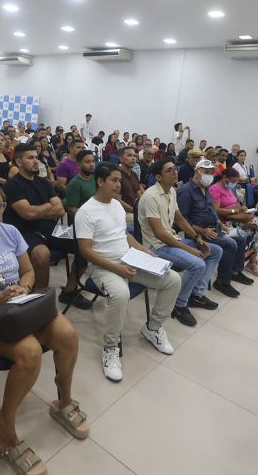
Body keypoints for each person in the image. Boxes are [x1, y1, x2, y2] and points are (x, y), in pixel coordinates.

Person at [0, 181, 88, 471]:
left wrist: (23, 287)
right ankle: (5, 425)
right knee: (30, 352)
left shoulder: (10, 232)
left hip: (16, 307)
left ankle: (63, 399)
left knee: (67, 333)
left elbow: (28, 271)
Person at [75, 163, 181, 381]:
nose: (119, 184)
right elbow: (85, 251)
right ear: (100, 181)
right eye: (114, 180)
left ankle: (153, 328)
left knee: (172, 279)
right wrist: (117, 269)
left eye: (119, 180)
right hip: (103, 265)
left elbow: (123, 236)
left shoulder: (116, 205)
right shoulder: (85, 212)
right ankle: (110, 348)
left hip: (127, 259)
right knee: (120, 294)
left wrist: (143, 250)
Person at [138, 158, 222, 327]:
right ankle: (179, 304)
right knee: (197, 264)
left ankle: (196, 294)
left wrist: (197, 239)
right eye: (169, 170)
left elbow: (180, 219)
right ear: (158, 177)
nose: (175, 172)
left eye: (175, 169)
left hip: (172, 240)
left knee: (216, 251)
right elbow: (160, 234)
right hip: (157, 246)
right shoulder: (150, 196)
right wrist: (188, 249)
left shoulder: (172, 192)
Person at [2, 144, 87, 309]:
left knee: (83, 243)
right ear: (19, 162)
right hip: (24, 232)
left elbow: (60, 209)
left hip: (51, 230)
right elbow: (28, 214)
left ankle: (69, 290)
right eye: (30, 158)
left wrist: (39, 210)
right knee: (42, 253)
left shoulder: (44, 182)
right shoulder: (12, 185)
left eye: (36, 157)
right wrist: (48, 208)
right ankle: (39, 300)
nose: (36, 161)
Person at [177, 160, 253, 296]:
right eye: (206, 172)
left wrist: (220, 223)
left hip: (214, 229)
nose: (210, 175)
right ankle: (223, 282)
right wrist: (202, 231)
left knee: (242, 237)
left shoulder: (205, 189)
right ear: (197, 172)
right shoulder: (186, 191)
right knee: (230, 244)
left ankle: (235, 271)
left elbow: (212, 212)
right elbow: (181, 221)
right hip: (199, 234)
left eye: (211, 173)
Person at [63, 149, 95, 218]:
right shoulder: (74, 184)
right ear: (79, 164)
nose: (91, 164)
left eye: (93, 161)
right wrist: (91, 218)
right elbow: (72, 210)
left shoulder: (95, 178)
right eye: (87, 162)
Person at [117, 147, 143, 223]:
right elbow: (118, 201)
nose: (133, 158)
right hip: (124, 212)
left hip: (135, 210)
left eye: (135, 156)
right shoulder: (117, 175)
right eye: (129, 155)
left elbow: (139, 194)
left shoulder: (134, 174)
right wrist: (135, 211)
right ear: (121, 159)